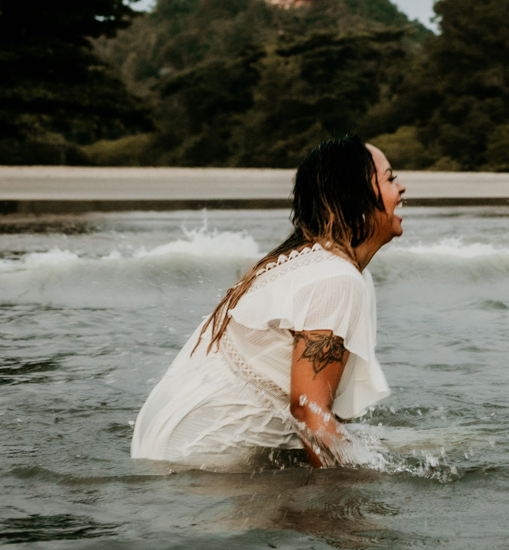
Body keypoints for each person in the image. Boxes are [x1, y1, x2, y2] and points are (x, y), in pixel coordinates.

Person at [131, 136, 405, 468]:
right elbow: (309, 411)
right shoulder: (335, 277)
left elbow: (315, 411)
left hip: (166, 450)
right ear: (355, 194)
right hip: (199, 465)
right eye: (390, 178)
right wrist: (348, 503)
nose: (402, 188)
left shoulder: (307, 263)